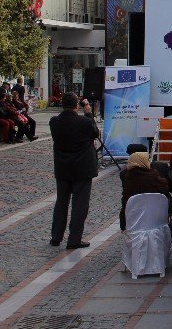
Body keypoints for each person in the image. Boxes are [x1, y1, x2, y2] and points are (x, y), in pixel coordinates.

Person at [49, 92, 99, 249]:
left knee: (61, 203)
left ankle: (56, 237)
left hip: (63, 168)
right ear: (77, 105)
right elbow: (95, 133)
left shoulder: (54, 122)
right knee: (80, 204)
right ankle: (74, 239)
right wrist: (89, 113)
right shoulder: (84, 122)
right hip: (82, 169)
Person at [119, 152, 171, 230]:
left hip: (135, 224)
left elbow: (126, 205)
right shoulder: (157, 180)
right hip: (156, 222)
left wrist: (123, 226)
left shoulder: (129, 181)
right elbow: (166, 199)